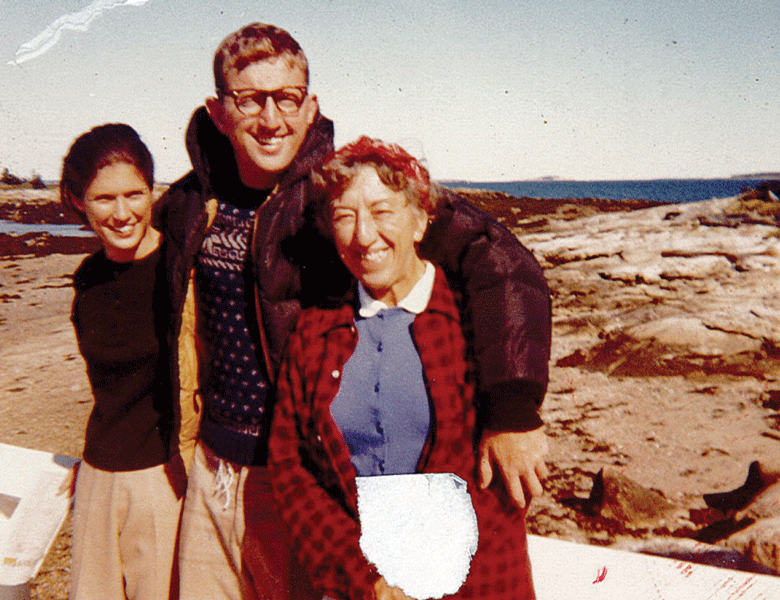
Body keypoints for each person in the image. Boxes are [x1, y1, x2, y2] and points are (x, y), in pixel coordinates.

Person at [156, 22, 550, 600]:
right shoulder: (190, 202)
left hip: (307, 477)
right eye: (249, 100)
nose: (271, 119)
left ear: (310, 106)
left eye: (286, 98)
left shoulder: (340, 188)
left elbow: (497, 260)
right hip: (211, 464)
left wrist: (512, 408)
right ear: (219, 111)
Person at [268, 136, 536, 600]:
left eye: (381, 211)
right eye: (344, 216)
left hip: (477, 582)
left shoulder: (475, 318)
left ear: (420, 219)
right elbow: (291, 467)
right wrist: (365, 574)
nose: (363, 235)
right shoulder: (315, 330)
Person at [61, 123, 185, 600]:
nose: (121, 213)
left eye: (134, 194)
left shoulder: (180, 269)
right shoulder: (88, 278)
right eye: (103, 199)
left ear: (152, 191)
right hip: (95, 474)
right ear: (77, 201)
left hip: (163, 478)